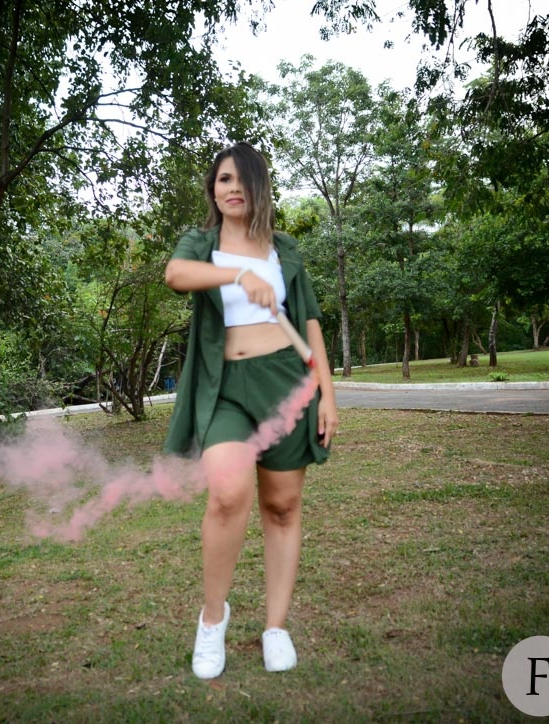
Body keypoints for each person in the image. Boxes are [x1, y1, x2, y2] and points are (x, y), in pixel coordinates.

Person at [163, 142, 338, 679]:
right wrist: (238, 276)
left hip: (286, 382)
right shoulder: (202, 243)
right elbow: (176, 274)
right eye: (223, 179)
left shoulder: (283, 249)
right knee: (227, 495)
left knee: (282, 506)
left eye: (242, 178)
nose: (232, 187)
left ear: (259, 186)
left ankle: (275, 628)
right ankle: (212, 621)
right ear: (213, 190)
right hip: (225, 388)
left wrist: (328, 394)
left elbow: (310, 323)